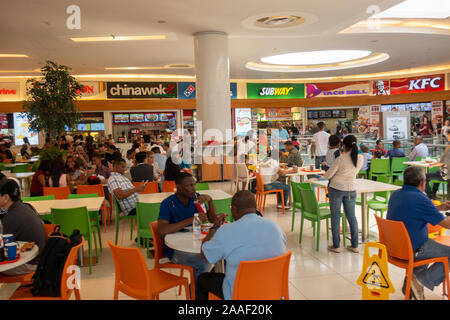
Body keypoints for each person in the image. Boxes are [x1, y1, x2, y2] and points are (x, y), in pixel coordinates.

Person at [196, 190, 287, 300]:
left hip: (240, 294)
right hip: (272, 292)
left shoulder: (227, 231)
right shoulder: (275, 227)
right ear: (255, 207)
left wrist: (214, 228)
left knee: (202, 280)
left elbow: (204, 254)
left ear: (234, 209)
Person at [387, 166, 450, 299]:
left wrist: (437, 207)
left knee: (428, 243)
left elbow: (414, 209)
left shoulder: (396, 194)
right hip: (414, 249)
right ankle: (419, 281)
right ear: (422, 182)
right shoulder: (420, 198)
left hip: (395, 248)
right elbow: (447, 224)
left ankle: (412, 280)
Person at [157, 172, 225, 279]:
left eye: (194, 184)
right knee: (204, 262)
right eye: (189, 186)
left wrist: (210, 201)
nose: (194, 189)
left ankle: (199, 287)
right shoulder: (168, 203)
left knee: (220, 257)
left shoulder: (197, 198)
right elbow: (162, 230)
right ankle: (198, 292)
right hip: (176, 250)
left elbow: (212, 220)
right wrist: (192, 219)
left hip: (195, 244)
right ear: (178, 187)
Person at [324, 135, 363, 253]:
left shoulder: (341, 159)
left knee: (336, 216)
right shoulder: (360, 158)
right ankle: (355, 245)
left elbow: (328, 175)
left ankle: (336, 246)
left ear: (344, 146)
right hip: (351, 189)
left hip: (336, 189)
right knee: (352, 217)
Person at [0, 179, 46, 276]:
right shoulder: (23, 207)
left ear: (5, 198)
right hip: (39, 259)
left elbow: (2, 244)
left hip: (29, 264)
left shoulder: (11, 217)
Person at [425, 130, 450, 199]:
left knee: (424, 177)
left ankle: (430, 196)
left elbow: (443, 162)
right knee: (437, 173)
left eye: (447, 136)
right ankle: (433, 194)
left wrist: (432, 165)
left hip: (446, 175)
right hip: (445, 173)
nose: (447, 138)